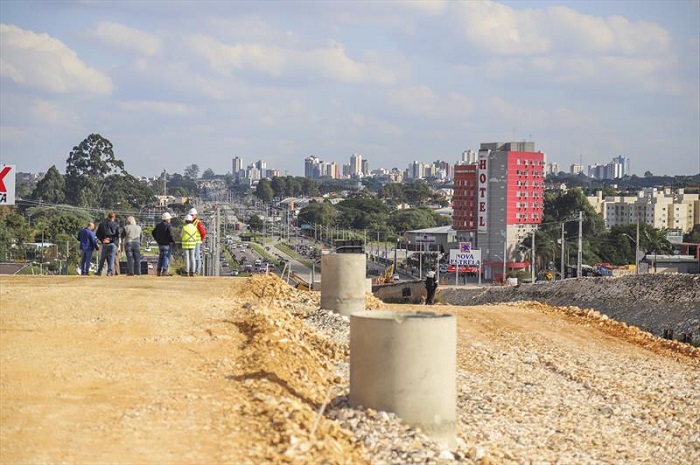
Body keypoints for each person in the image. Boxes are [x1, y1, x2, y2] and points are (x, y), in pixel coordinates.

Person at [152, 212, 176, 276]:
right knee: (166, 257)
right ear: (167, 219)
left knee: (161, 257)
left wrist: (157, 239)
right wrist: (173, 241)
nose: (170, 220)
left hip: (160, 244)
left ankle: (158, 271)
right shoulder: (168, 226)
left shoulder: (158, 225)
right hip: (167, 244)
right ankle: (165, 271)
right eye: (169, 219)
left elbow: (153, 232)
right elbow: (170, 235)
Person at [189, 208, 207, 275]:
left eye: (192, 215)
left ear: (196, 215)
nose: (191, 216)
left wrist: (200, 240)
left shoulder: (198, 223)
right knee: (193, 256)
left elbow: (203, 233)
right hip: (192, 242)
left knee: (197, 256)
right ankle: (193, 270)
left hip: (197, 242)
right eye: (190, 215)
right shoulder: (191, 222)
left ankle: (197, 270)